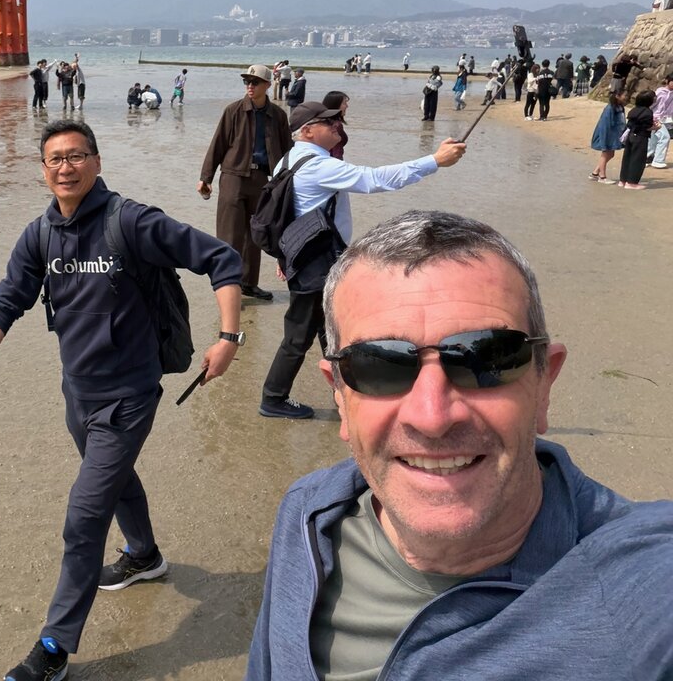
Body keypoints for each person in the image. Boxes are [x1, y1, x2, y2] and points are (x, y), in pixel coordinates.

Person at [245, 210, 673, 680]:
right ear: (339, 396)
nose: (432, 417)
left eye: (484, 359)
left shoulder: (638, 583)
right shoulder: (306, 513)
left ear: (544, 384)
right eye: (379, 365)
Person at [0, 119, 243, 681]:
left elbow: (221, 258)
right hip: (77, 392)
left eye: (76, 156)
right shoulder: (40, 235)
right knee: (113, 479)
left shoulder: (132, 222)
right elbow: (3, 307)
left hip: (129, 395)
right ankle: (145, 555)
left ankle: (53, 648)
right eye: (54, 159)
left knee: (84, 515)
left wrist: (229, 337)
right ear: (42, 170)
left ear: (96, 162)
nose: (65, 168)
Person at [258, 102, 466, 419]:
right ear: (308, 131)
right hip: (316, 261)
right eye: (328, 122)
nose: (336, 126)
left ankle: (345, 392)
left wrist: (284, 256)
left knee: (332, 330)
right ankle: (274, 398)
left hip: (306, 258)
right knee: (300, 335)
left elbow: (287, 211)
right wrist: (434, 161)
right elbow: (373, 179)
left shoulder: (289, 159)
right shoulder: (318, 165)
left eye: (336, 120)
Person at [198, 65, 294, 302]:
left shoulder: (278, 115)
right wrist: (206, 177)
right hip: (233, 177)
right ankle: (227, 288)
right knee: (229, 235)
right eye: (246, 82)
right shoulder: (233, 111)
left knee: (256, 235)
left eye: (255, 82)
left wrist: (293, 180)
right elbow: (218, 144)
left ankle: (249, 284)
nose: (250, 86)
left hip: (262, 180)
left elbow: (288, 150)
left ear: (267, 85)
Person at [618, 89, 656, 189]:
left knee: (627, 158)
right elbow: (646, 127)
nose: (655, 99)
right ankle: (632, 183)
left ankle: (623, 180)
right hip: (640, 137)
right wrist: (656, 127)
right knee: (638, 159)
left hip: (630, 136)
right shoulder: (648, 112)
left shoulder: (634, 110)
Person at [589, 90, 627, 184]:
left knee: (610, 155)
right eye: (624, 95)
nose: (626, 97)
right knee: (605, 154)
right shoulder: (610, 108)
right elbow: (604, 124)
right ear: (617, 96)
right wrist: (604, 140)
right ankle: (602, 177)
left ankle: (595, 173)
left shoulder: (620, 107)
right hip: (607, 134)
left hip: (614, 134)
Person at [649, 74, 673, 169]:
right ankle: (658, 160)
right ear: (667, 81)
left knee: (654, 139)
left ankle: (648, 157)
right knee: (665, 137)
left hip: (666, 120)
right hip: (656, 118)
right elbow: (651, 104)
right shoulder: (660, 92)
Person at [322, 91, 349, 160]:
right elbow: (336, 152)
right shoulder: (336, 125)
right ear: (336, 105)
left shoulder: (320, 122)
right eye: (344, 103)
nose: (347, 106)